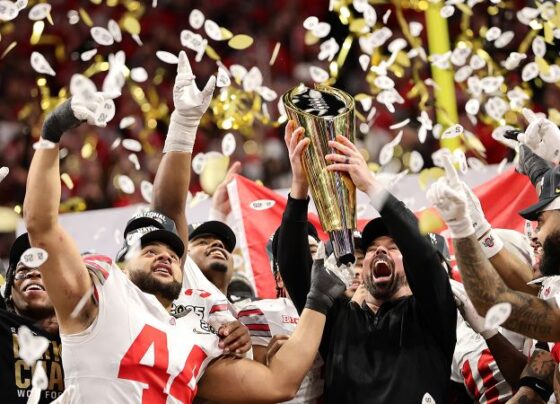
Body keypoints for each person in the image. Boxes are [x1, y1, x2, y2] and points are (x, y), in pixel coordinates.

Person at [22, 53, 345, 403]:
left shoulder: (197, 342)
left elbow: (278, 384)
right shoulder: (97, 300)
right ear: (121, 264)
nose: (164, 255)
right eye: (149, 250)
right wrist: (52, 132)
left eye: (173, 253)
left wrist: (318, 298)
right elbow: (41, 224)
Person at [277, 121, 457, 402]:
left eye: (393, 246)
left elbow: (422, 253)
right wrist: (300, 187)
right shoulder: (338, 321)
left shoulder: (431, 314)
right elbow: (293, 268)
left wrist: (371, 185)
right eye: (372, 248)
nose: (379, 252)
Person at [237, 229, 324, 403]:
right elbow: (252, 391)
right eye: (297, 255)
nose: (307, 260)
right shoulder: (259, 313)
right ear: (279, 279)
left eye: (313, 251)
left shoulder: (345, 310)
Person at [1, 233, 64, 403]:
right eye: (22, 270)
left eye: (45, 269)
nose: (33, 273)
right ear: (9, 292)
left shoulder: (83, 330)